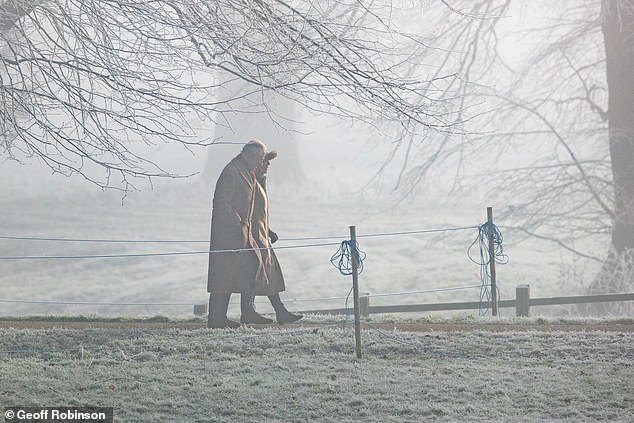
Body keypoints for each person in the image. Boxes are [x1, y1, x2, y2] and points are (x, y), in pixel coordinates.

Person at [207, 140, 274, 328]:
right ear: (250, 156)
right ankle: (216, 319)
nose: (261, 162)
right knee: (223, 277)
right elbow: (221, 203)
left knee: (244, 271)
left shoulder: (246, 172)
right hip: (228, 235)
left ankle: (244, 313)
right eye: (260, 158)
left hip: (241, 235)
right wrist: (238, 222)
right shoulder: (231, 172)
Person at [252, 150, 303, 324]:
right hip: (252, 235)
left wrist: (267, 229)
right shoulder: (250, 180)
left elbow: (259, 211)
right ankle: (274, 311)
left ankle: (278, 311)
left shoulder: (258, 179)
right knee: (260, 272)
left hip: (259, 233)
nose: (269, 165)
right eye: (266, 161)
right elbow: (250, 211)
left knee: (265, 272)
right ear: (258, 162)